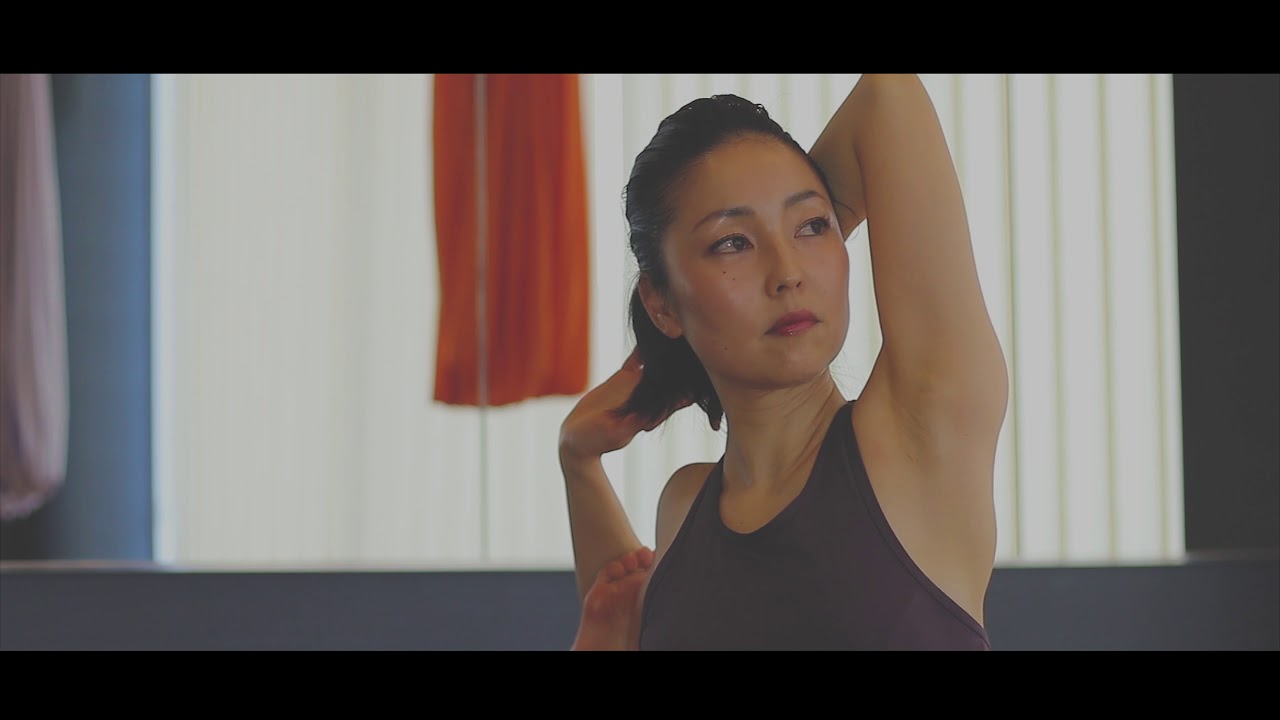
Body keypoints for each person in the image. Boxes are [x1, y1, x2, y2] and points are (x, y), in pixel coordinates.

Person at [560, 74, 1008, 650]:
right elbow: (616, 618)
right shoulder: (684, 507)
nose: (789, 272)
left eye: (812, 227)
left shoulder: (922, 432)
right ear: (660, 302)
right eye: (733, 243)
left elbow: (887, 95)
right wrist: (578, 461)